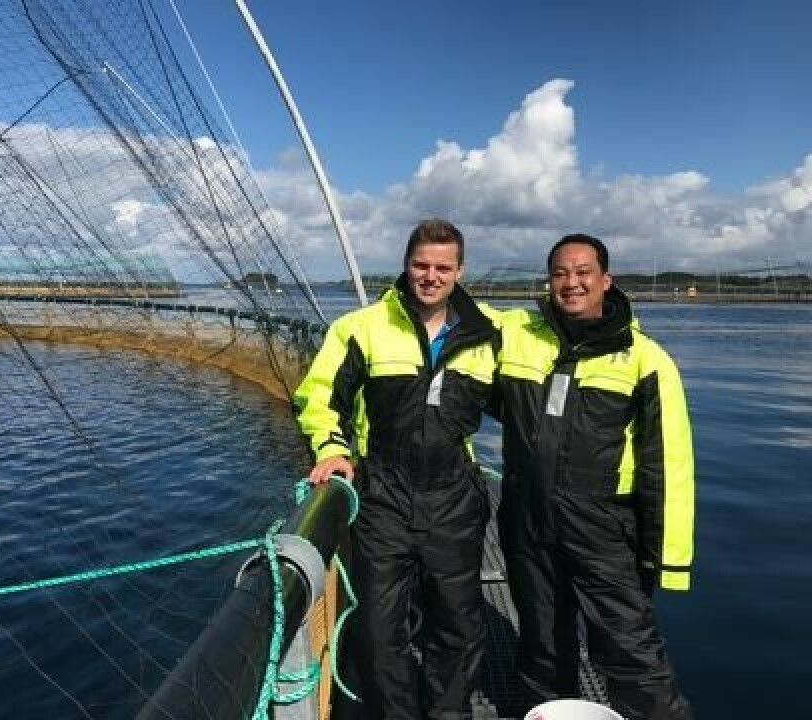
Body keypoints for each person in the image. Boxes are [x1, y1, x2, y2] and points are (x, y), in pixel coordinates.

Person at [294, 218, 500, 719]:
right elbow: (320, 398)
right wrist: (331, 449)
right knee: (378, 630)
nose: (431, 276)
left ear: (460, 271)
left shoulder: (490, 331)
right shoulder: (360, 328)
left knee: (457, 622)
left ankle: (449, 713)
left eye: (443, 267)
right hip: (382, 498)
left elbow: (552, 351)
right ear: (406, 265)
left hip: (454, 500)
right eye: (421, 265)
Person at [494, 233, 695, 719]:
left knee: (630, 650)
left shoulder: (645, 359)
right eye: (560, 273)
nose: (572, 283)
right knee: (542, 643)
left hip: (602, 527)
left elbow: (669, 465)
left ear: (606, 280)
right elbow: (447, 306)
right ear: (548, 281)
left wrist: (667, 560)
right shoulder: (518, 336)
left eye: (583, 272)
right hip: (527, 521)